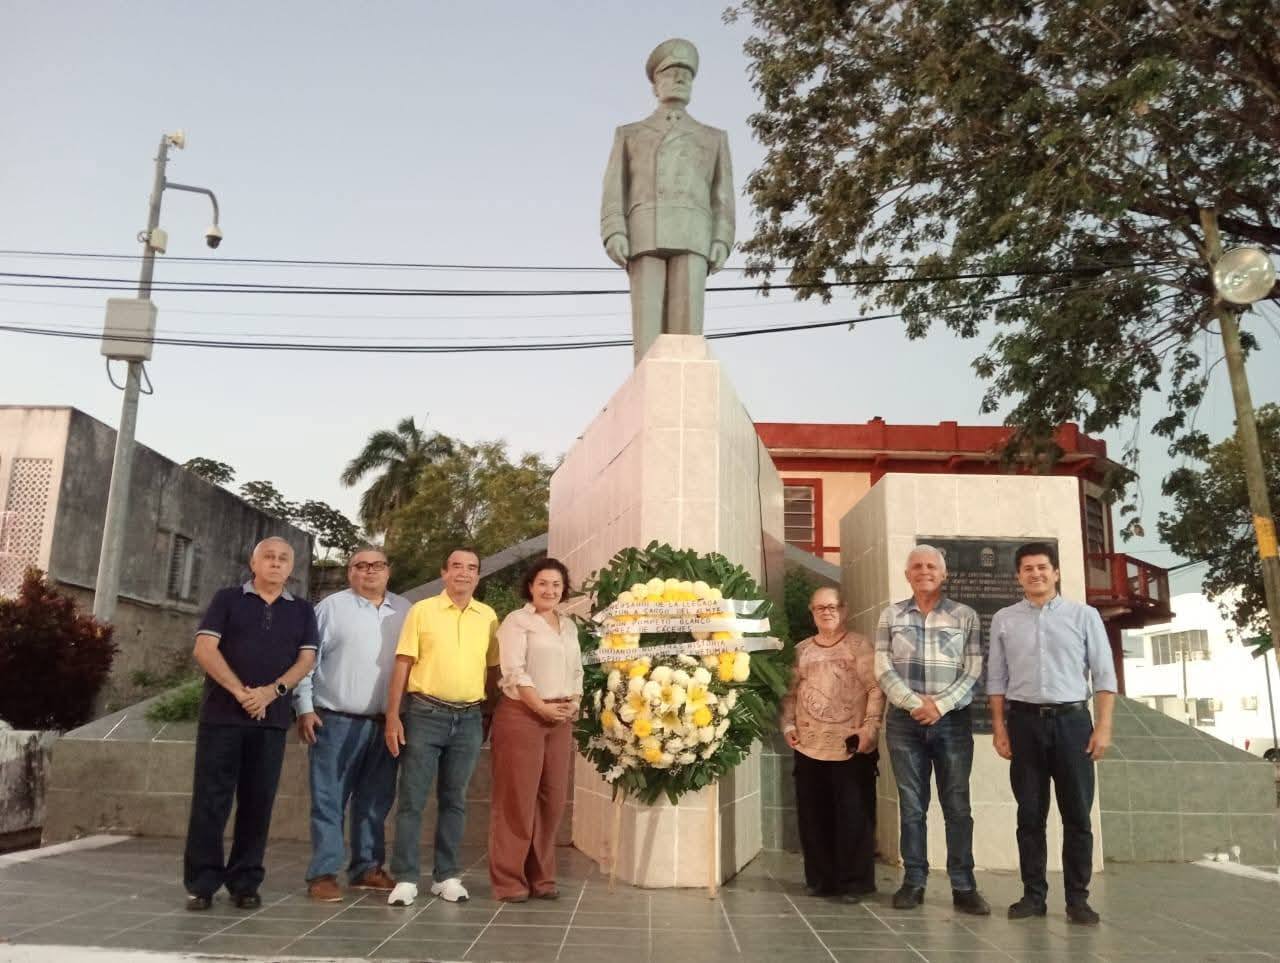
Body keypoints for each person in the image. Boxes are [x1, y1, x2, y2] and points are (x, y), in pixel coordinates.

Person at [182, 537, 318, 911]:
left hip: (270, 722)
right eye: (269, 557)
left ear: (291, 568)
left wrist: (271, 694)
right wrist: (241, 692)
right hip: (221, 718)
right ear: (253, 563)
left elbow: (306, 660)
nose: (276, 563)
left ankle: (245, 881)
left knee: (258, 803)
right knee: (211, 801)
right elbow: (204, 649)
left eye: (283, 559)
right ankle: (202, 882)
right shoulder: (227, 600)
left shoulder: (303, 611)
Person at [988, 541, 1117, 926]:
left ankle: (1078, 899)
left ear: (1056, 572)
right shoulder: (1004, 619)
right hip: (1024, 724)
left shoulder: (1084, 616)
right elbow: (996, 679)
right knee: (1030, 814)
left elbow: (1104, 675)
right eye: (1027, 569)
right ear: (1018, 576)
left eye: (1042, 567)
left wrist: (1104, 727)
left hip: (1073, 723)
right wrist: (999, 728)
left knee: (1077, 814)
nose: (1035, 574)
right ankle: (1033, 895)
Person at [600, 37, 735, 364]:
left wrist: (722, 238)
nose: (679, 80)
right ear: (655, 84)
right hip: (644, 231)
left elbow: (723, 196)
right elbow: (615, 187)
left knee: (687, 333)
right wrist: (614, 230)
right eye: (671, 74)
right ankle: (646, 389)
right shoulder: (630, 134)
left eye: (686, 76)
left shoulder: (712, 137)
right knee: (647, 332)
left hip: (694, 233)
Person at [875, 545, 990, 915]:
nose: (924, 571)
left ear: (943, 574)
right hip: (903, 724)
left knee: (957, 806)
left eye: (931, 566)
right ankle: (914, 881)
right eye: (916, 566)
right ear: (907, 574)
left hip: (952, 722)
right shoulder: (890, 616)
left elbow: (974, 669)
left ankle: (963, 885)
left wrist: (938, 705)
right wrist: (914, 704)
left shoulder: (965, 616)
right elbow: (881, 665)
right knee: (912, 807)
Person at [385, 548, 499, 907]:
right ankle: (405, 877)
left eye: (471, 568)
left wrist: (490, 713)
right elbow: (403, 664)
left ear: (478, 576)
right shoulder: (422, 611)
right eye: (457, 567)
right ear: (444, 572)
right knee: (412, 800)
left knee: (455, 800)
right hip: (425, 714)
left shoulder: (489, 617)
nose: (464, 573)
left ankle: (446, 875)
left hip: (468, 719)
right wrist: (392, 717)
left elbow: (492, 670)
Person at [294, 546, 409, 902]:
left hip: (386, 723)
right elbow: (306, 659)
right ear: (350, 573)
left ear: (388, 571)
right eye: (361, 565)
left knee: (375, 800)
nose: (369, 571)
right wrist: (304, 707)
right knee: (329, 799)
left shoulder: (405, 611)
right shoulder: (331, 608)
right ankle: (324, 873)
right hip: (336, 721)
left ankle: (367, 868)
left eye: (377, 565)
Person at [779, 586, 883, 902]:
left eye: (832, 606)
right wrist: (787, 724)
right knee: (813, 813)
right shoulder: (800, 651)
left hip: (851, 743)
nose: (827, 612)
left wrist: (871, 729)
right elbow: (789, 694)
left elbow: (876, 689)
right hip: (809, 744)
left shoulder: (860, 646)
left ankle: (854, 883)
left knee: (854, 813)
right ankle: (821, 879)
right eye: (820, 607)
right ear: (812, 612)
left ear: (844, 610)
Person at [488, 558, 583, 902]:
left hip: (559, 718)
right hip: (523, 714)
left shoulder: (569, 626)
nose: (550, 590)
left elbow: (576, 671)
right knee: (517, 800)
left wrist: (573, 701)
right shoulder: (517, 622)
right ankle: (509, 881)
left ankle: (542, 878)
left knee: (552, 800)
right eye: (543, 583)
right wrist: (540, 706)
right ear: (530, 586)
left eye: (556, 585)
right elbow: (513, 671)